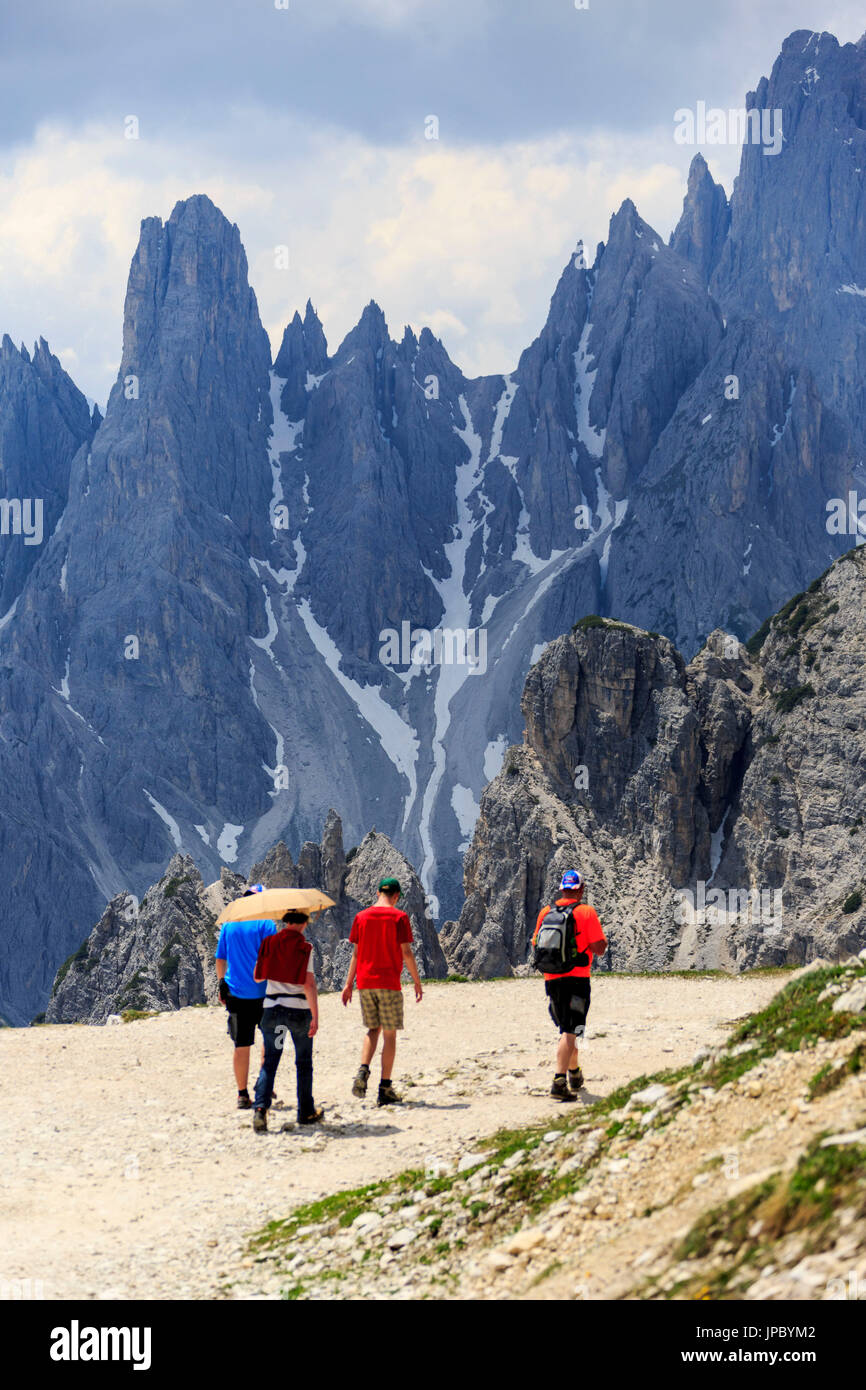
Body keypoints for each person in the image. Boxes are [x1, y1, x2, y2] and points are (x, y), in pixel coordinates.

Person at [341, 877, 422, 1105]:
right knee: (389, 1034)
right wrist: (416, 981)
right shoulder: (399, 917)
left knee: (372, 1030)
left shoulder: (361, 917)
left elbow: (355, 954)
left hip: (365, 983)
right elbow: (406, 952)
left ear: (378, 893)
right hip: (388, 982)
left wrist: (348, 984)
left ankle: (363, 1070)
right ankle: (385, 1088)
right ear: (396, 896)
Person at [532, 869, 607, 1103]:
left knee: (570, 1028)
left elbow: (536, 943)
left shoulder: (546, 912)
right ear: (581, 890)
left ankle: (575, 1073)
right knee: (571, 1029)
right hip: (577, 980)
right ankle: (559, 1080)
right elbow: (599, 948)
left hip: (552, 980)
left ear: (562, 888)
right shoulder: (586, 912)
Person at [251, 910, 321, 1131]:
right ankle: (306, 1112)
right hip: (298, 1012)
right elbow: (308, 984)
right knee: (303, 1062)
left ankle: (261, 1109)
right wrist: (315, 1016)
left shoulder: (269, 943)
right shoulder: (305, 948)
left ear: (285, 922)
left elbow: (257, 976)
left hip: (273, 1011)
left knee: (271, 1060)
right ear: (304, 923)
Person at [214, 884, 275, 1108]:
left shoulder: (229, 925)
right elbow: (272, 956)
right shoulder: (267, 924)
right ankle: (264, 1083)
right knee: (268, 1040)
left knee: (241, 1044)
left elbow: (220, 958)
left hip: (236, 994)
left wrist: (222, 984)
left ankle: (242, 1094)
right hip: (264, 993)